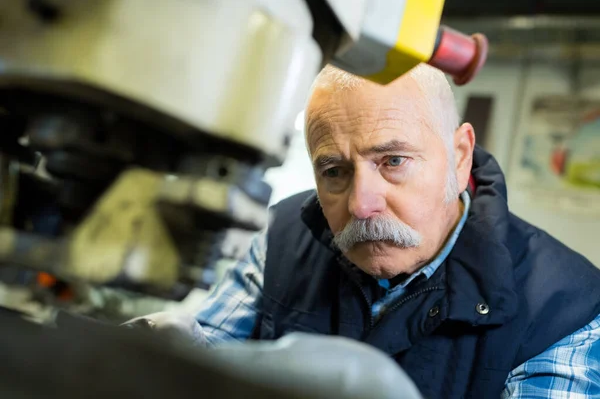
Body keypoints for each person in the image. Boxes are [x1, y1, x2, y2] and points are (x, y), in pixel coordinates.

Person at [141, 64, 600, 398]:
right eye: (335, 170)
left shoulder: (566, 309)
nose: (361, 204)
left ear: (460, 157)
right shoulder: (281, 235)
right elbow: (197, 362)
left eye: (393, 161)